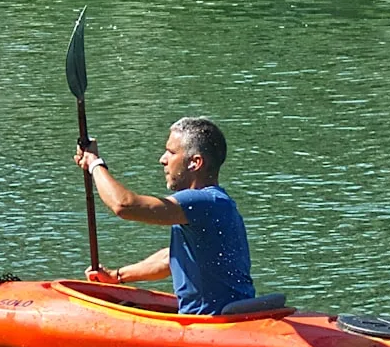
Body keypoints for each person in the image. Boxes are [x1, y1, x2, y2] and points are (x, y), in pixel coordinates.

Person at [73, 117, 255, 315]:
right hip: (230, 316)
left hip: (214, 325)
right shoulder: (215, 203)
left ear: (195, 162)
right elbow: (171, 258)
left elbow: (124, 205)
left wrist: (94, 163)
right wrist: (116, 276)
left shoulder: (203, 202)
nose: (162, 159)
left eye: (171, 152)